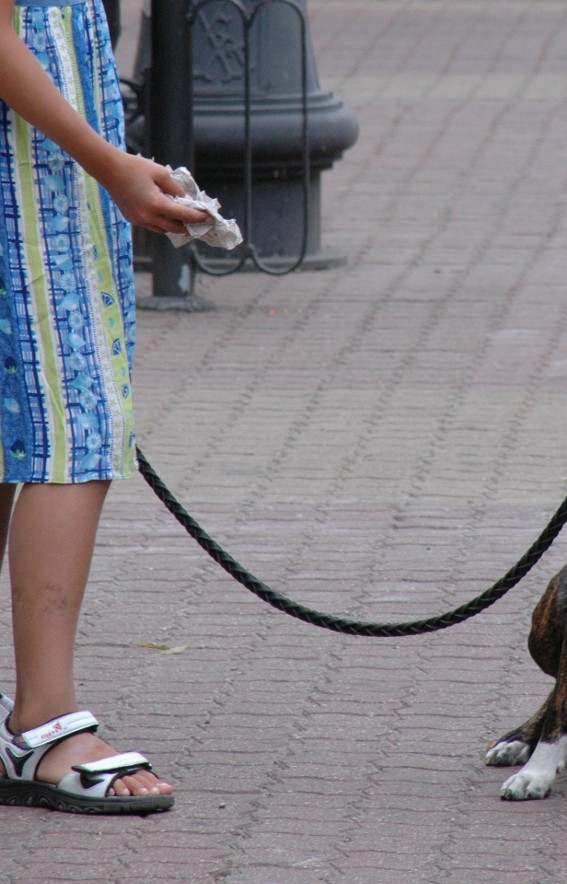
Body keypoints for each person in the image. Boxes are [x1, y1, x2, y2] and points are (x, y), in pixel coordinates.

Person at [0, 0, 208, 814]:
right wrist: (110, 164)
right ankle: (45, 720)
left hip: (41, 171)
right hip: (28, 191)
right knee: (70, 426)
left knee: (23, 425)